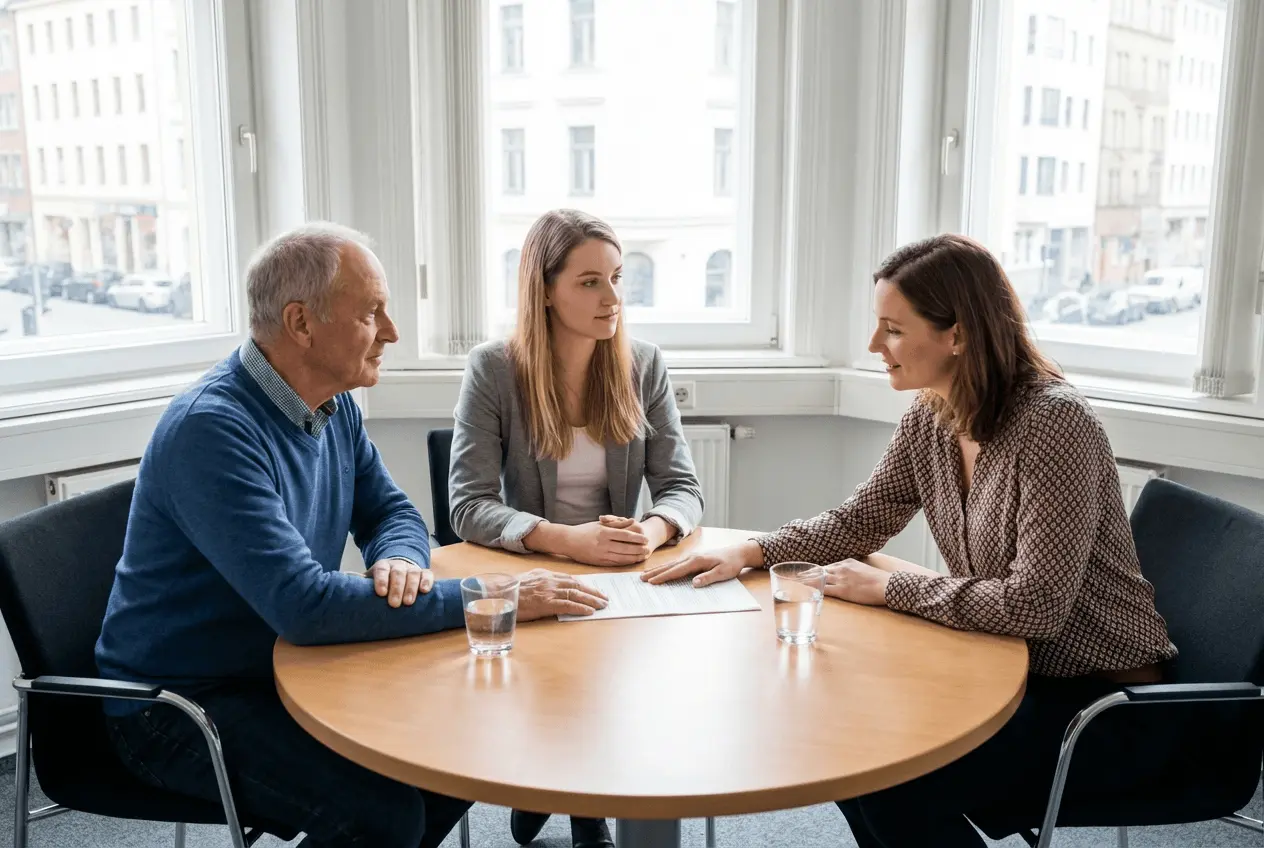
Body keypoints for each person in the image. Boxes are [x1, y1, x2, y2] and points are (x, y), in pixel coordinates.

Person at [642, 234, 1179, 847]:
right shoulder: (933, 413)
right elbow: (858, 521)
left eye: (893, 329)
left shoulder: (1055, 423)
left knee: (890, 775)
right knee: (845, 747)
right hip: (1009, 670)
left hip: (1103, 705)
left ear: (958, 334)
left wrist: (893, 587)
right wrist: (754, 549)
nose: (875, 346)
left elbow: (1036, 607)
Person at [94, 222, 608, 848]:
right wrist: (493, 597)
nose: (391, 331)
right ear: (302, 323)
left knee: (464, 743)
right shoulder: (213, 431)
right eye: (372, 313)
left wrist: (399, 561)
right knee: (384, 815)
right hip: (178, 705)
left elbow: (393, 512)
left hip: (286, 664)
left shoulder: (329, 404)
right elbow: (304, 607)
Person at [449, 209, 705, 848]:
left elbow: (683, 489)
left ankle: (572, 787)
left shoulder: (642, 365)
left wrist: (649, 531)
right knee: (562, 678)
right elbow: (468, 505)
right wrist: (565, 540)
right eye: (590, 281)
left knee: (626, 677)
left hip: (621, 569)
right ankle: (561, 789)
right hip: (534, 567)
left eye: (617, 278)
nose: (614, 298)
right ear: (544, 288)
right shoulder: (495, 369)